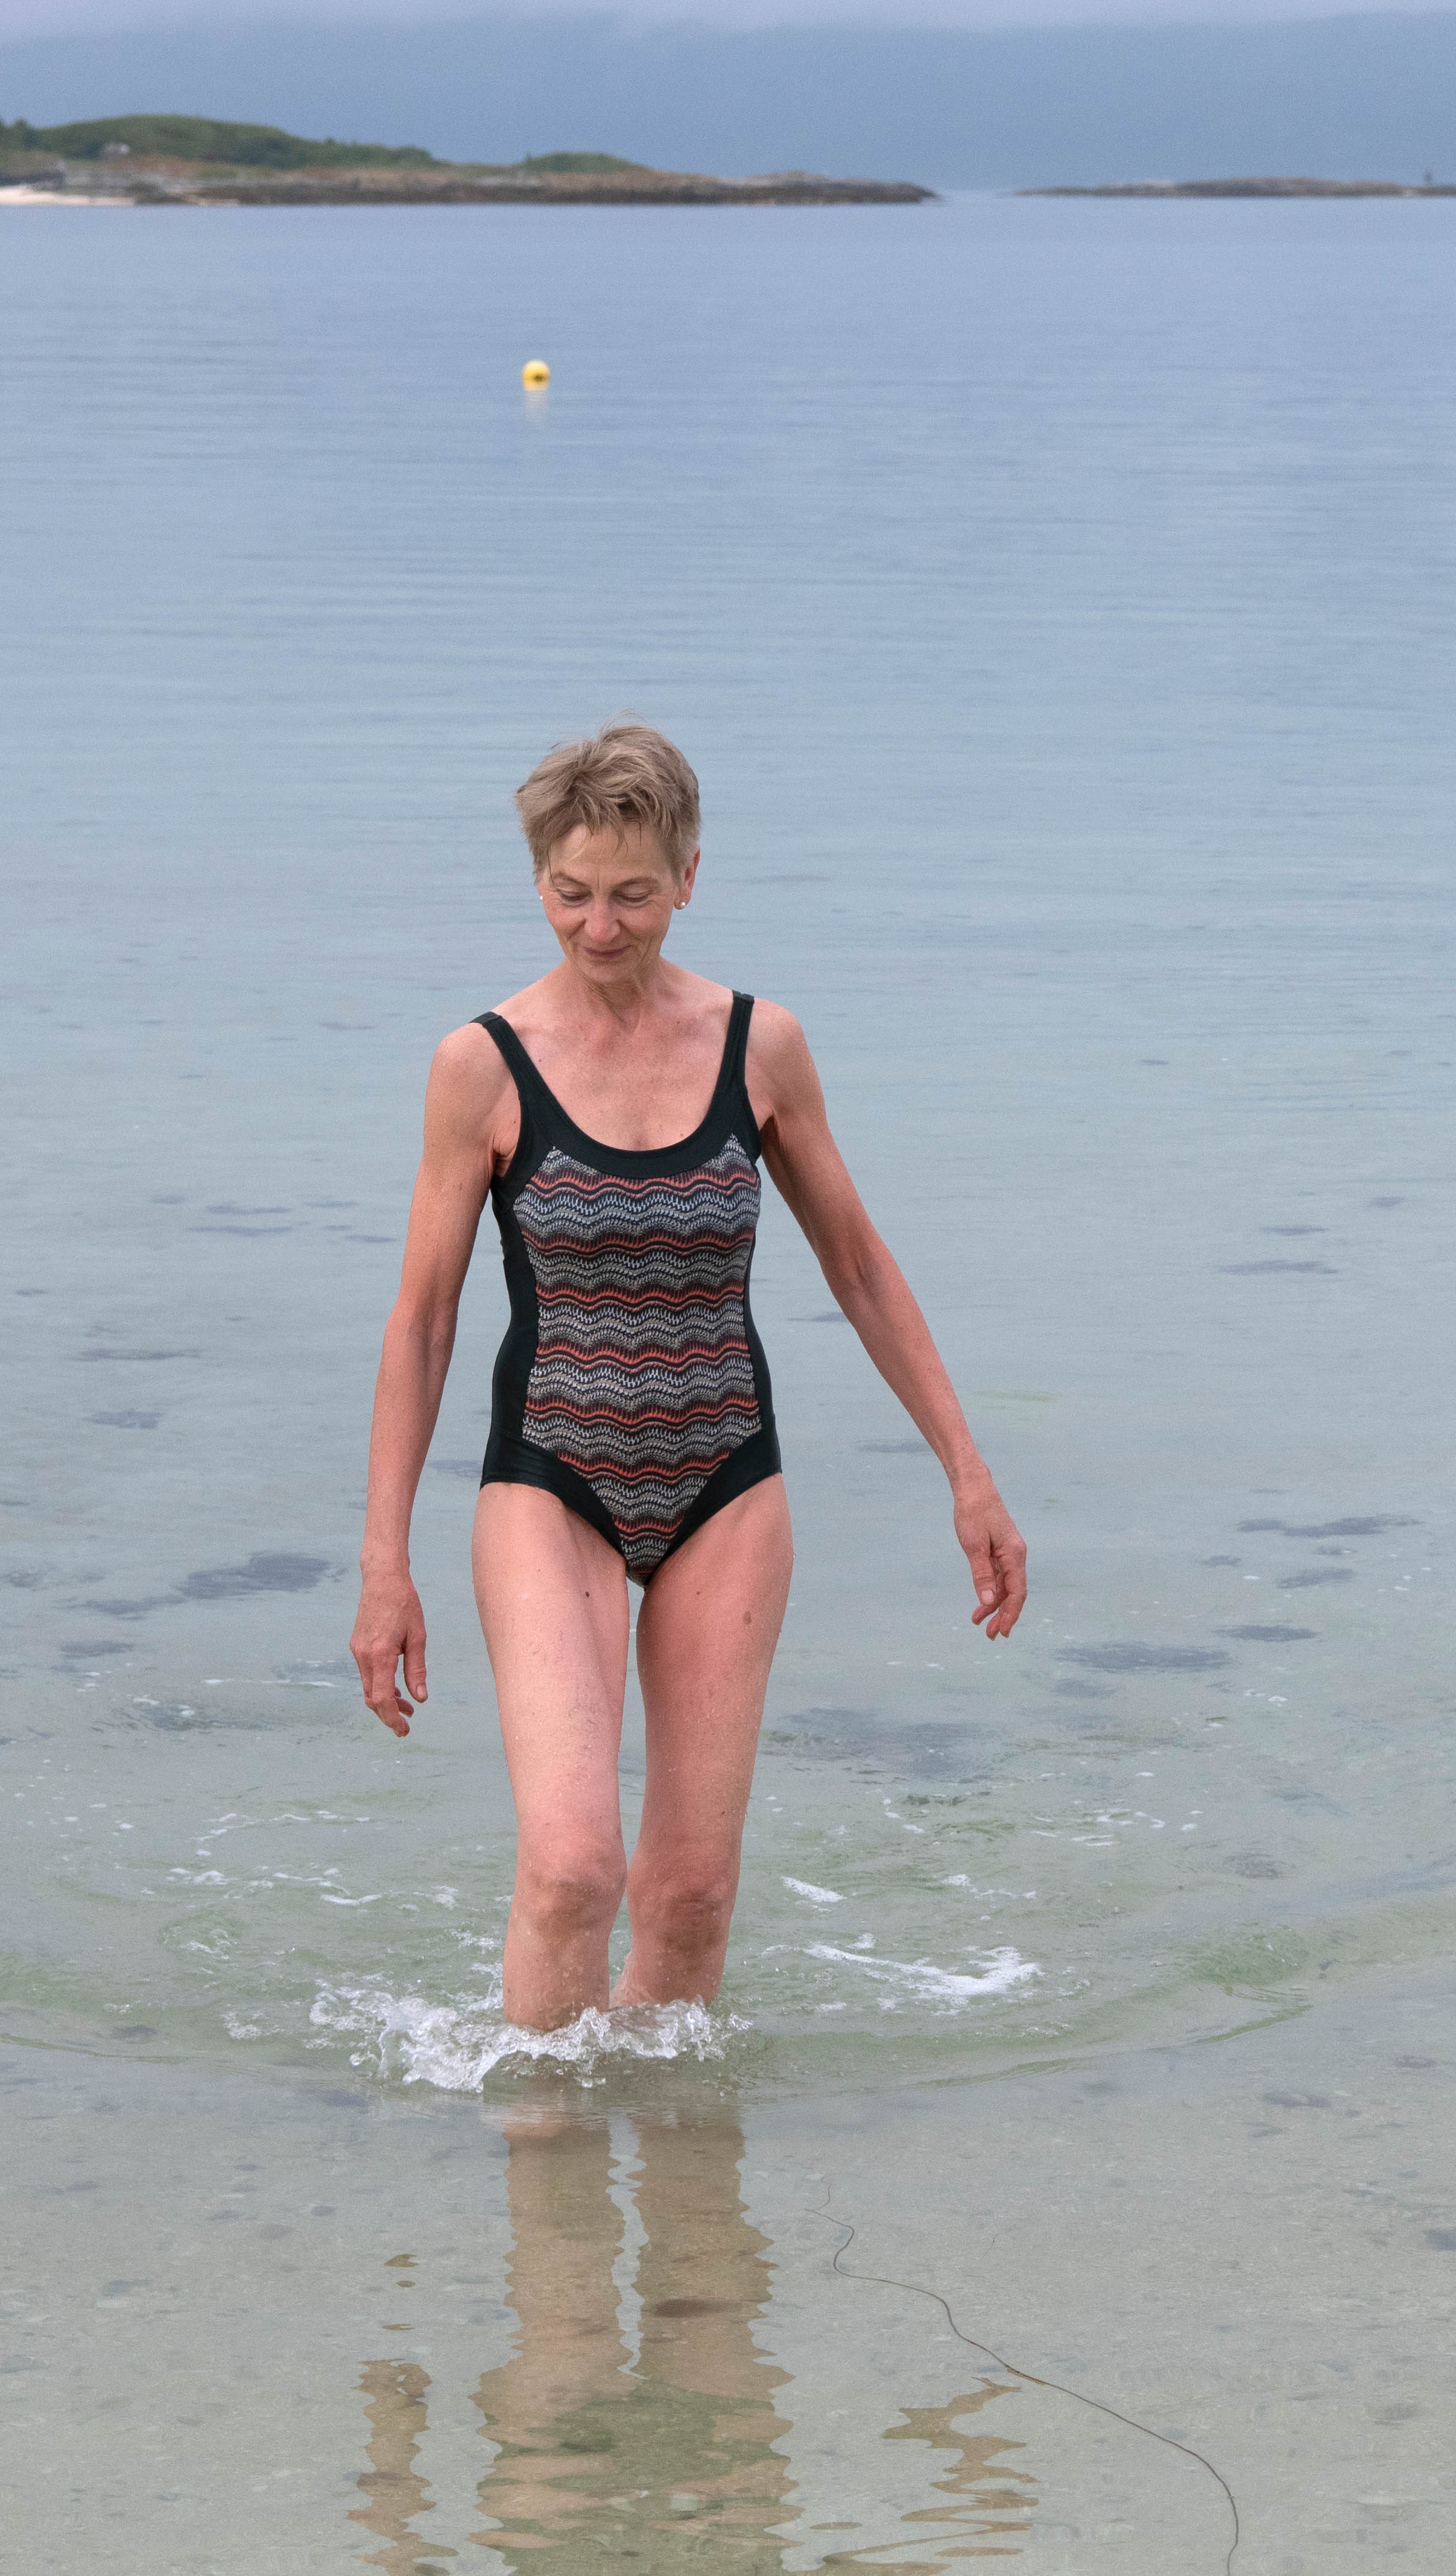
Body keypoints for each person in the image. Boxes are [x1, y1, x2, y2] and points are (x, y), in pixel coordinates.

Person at [350, 722, 1028, 2029]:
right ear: (536, 877)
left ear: (689, 876)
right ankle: (542, 2185)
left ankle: (683, 2194)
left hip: (726, 1478)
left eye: (633, 895)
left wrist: (967, 1472)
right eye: (570, 893)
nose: (599, 928)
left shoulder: (757, 1048)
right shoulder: (479, 1066)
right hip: (551, 1478)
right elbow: (422, 1319)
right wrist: (386, 1561)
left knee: (691, 1891)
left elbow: (862, 1269)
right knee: (569, 1869)